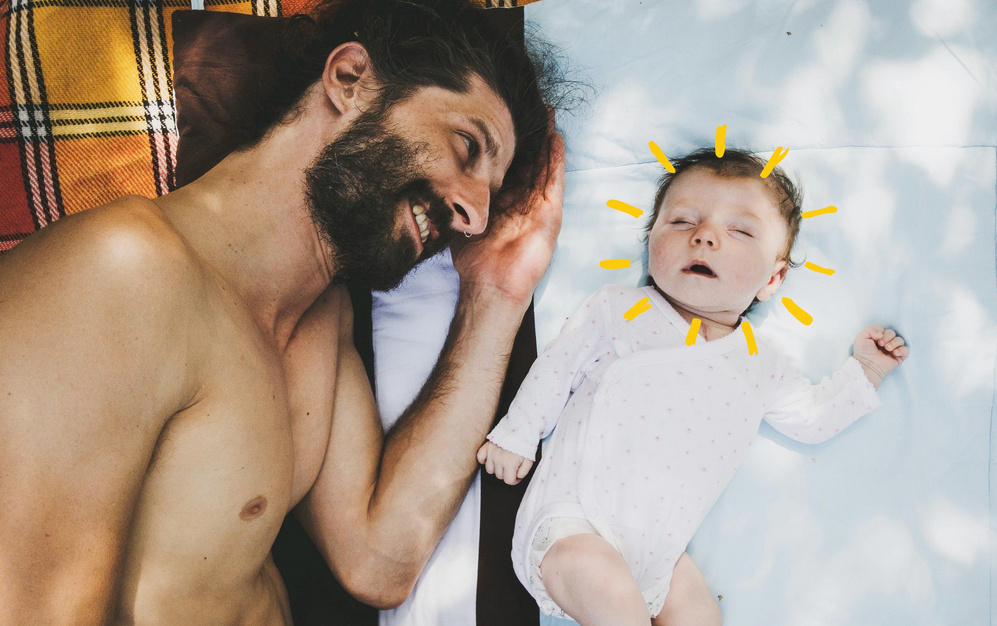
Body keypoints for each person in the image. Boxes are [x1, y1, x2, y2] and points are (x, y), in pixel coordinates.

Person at [0, 0, 565, 623]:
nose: (476, 216)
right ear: (350, 79)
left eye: (489, 192)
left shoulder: (319, 323)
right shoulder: (118, 275)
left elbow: (381, 561)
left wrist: (496, 296)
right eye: (466, 148)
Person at [477, 148, 910, 626]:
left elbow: (812, 418)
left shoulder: (763, 363)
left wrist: (865, 372)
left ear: (773, 277)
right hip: (572, 526)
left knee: (701, 616)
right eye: (682, 222)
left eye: (740, 231)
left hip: (660, 556)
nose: (704, 237)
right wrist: (517, 433)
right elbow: (557, 366)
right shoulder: (620, 310)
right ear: (650, 242)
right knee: (609, 592)